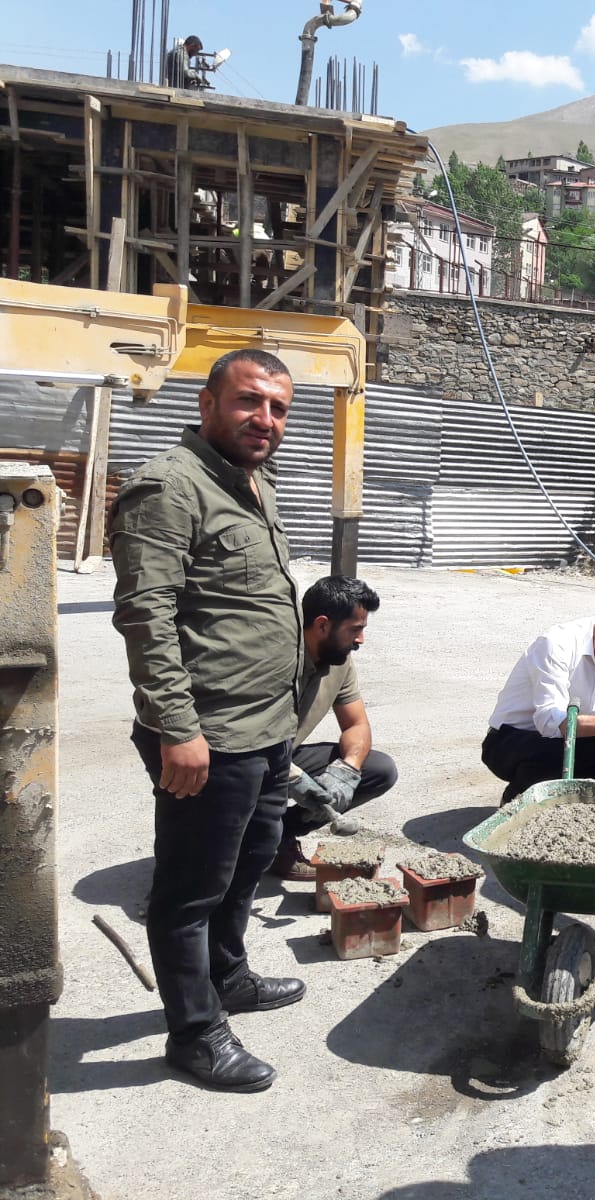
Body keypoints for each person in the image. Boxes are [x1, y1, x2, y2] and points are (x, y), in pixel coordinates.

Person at [110, 348, 305, 1094]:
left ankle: (229, 978)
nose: (265, 420)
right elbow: (146, 617)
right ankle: (194, 1034)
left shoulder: (256, 484)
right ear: (207, 405)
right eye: (249, 402)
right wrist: (175, 729)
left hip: (266, 729)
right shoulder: (169, 488)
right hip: (207, 736)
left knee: (247, 868)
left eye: (279, 408)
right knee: (188, 891)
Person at [269, 576, 400, 882]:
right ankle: (252, 841)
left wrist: (347, 770)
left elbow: (357, 724)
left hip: (283, 755)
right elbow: (245, 737)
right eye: (356, 629)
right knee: (257, 803)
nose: (361, 640)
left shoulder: (339, 660)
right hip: (247, 756)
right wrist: (292, 777)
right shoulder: (276, 657)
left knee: (379, 769)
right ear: (323, 625)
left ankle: (279, 836)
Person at [480, 604, 595, 805]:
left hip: (568, 738)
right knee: (555, 754)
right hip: (512, 741)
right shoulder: (556, 643)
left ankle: (580, 796)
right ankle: (518, 796)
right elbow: (550, 722)